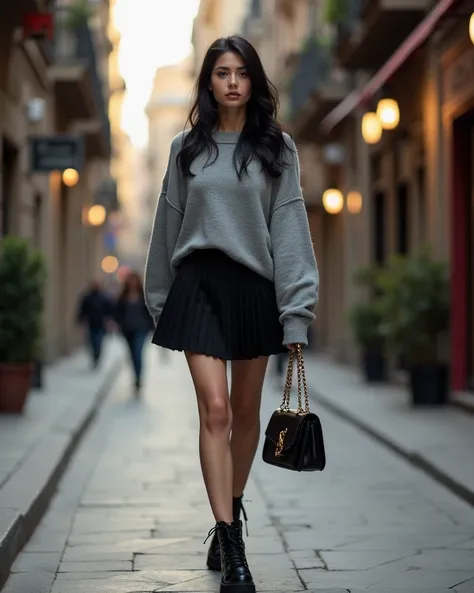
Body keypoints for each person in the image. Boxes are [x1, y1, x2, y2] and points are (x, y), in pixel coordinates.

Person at [144, 35, 319, 593]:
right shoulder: (184, 149)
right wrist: (158, 301)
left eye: (242, 72)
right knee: (214, 410)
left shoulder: (278, 149)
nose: (233, 82)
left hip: (253, 288)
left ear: (254, 80)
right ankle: (231, 541)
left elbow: (291, 231)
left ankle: (231, 506)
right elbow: (166, 226)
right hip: (196, 285)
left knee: (245, 412)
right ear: (209, 82)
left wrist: (296, 314)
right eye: (222, 72)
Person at [115, 272, 154, 393]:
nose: (132, 283)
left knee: (138, 353)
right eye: (130, 281)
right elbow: (117, 313)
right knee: (132, 355)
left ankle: (138, 378)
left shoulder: (143, 296)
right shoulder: (123, 297)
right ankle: (135, 376)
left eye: (134, 280)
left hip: (141, 329)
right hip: (127, 330)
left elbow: (149, 313)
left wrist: (152, 327)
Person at [77, 280, 113, 368]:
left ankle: (97, 355)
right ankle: (94, 356)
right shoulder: (87, 297)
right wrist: (80, 319)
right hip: (91, 323)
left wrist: (109, 320)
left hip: (101, 324)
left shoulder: (104, 298)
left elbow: (110, 310)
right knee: (92, 341)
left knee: (99, 341)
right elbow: (82, 309)